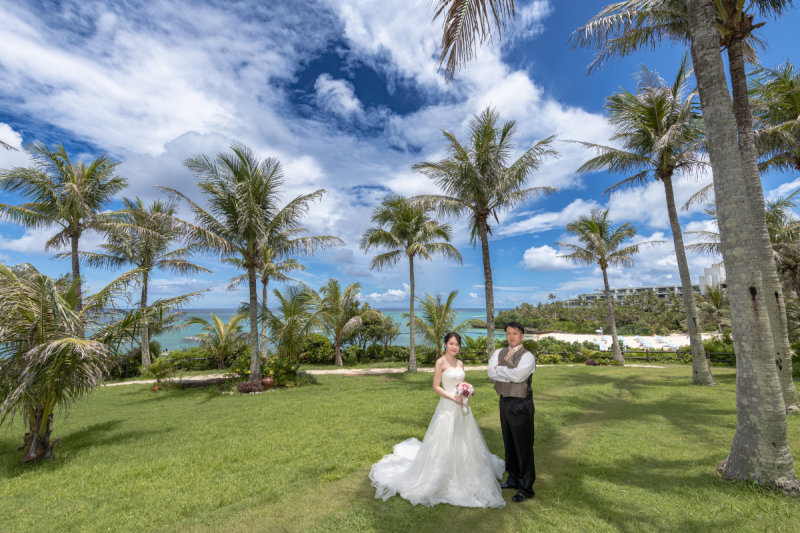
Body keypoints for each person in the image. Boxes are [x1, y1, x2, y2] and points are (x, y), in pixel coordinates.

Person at [369, 332, 505, 508]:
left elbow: (462, 382)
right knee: (444, 440)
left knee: (465, 440)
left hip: (463, 408)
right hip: (447, 407)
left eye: (457, 344)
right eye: (451, 344)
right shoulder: (440, 362)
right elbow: (435, 387)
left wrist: (467, 391)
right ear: (445, 344)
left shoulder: (460, 363)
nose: (454, 347)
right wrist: (453, 397)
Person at [487, 321, 536, 503]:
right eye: (508, 333)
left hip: (521, 403)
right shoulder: (499, 352)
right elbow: (490, 374)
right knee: (509, 442)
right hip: (505, 401)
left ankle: (526, 487)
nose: (511, 336)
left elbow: (519, 376)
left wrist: (500, 369)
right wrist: (506, 370)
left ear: (522, 335)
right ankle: (513, 479)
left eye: (515, 333)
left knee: (523, 446)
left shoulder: (528, 356)